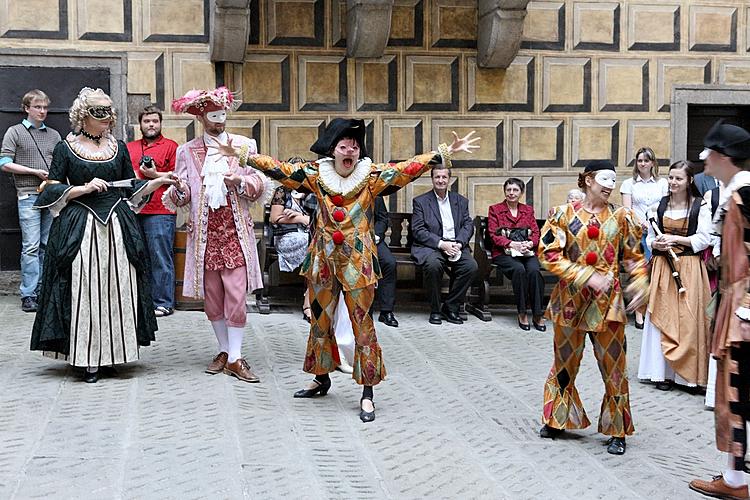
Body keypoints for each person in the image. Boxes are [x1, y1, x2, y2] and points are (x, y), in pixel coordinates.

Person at [214, 117, 479, 422]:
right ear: (333, 150)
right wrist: (243, 155)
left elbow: (406, 169)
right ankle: (321, 377)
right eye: (344, 145)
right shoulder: (316, 174)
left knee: (361, 324)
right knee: (320, 320)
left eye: (354, 145)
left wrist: (443, 153)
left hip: (358, 261)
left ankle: (368, 391)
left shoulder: (370, 176)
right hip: (323, 259)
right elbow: (280, 169)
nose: (350, 150)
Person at [29, 87, 176, 383]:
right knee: (85, 288)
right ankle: (87, 358)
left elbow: (128, 185)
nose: (108, 117)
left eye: (109, 111)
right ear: (84, 115)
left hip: (117, 227)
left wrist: (158, 181)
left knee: (116, 287)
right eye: (100, 111)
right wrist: (82, 188)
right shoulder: (65, 148)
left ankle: (112, 354)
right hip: (80, 226)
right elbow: (50, 187)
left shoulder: (118, 147)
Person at [538, 160, 649, 456]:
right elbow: (549, 256)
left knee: (614, 368)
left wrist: (640, 286)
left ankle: (617, 430)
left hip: (608, 305)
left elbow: (635, 259)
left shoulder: (623, 217)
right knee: (564, 365)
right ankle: (557, 419)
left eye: (614, 180)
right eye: (605, 179)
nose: (611, 185)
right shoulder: (561, 215)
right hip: (569, 304)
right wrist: (587, 275)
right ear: (588, 180)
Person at [164, 87, 270, 384]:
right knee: (213, 297)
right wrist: (179, 190)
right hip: (205, 235)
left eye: (223, 115)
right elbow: (180, 194)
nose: (220, 121)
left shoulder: (243, 145)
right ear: (201, 117)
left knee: (236, 294)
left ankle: (236, 357)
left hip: (234, 231)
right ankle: (224, 350)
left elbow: (261, 183)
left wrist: (240, 181)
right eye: (213, 116)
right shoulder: (186, 151)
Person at [689, 122, 750, 500]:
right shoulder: (734, 193)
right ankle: (734, 478)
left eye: (710, 154)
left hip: (744, 308)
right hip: (735, 301)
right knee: (734, 393)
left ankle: (737, 481)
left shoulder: (745, 194)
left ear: (723, 156)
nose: (705, 162)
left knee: (739, 392)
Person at [637, 161, 711, 391]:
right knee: (663, 315)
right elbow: (649, 237)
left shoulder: (701, 206)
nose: (673, 182)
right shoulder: (659, 206)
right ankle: (662, 374)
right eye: (670, 177)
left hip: (688, 266)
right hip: (663, 266)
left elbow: (704, 239)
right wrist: (656, 242)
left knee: (688, 318)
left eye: (678, 178)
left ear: (689, 181)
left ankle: (687, 376)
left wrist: (675, 239)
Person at [0, 89, 61, 312]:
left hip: (51, 195)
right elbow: (4, 162)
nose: (42, 111)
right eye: (38, 107)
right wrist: (33, 171)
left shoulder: (54, 135)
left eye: (45, 107)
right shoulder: (14, 132)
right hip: (28, 194)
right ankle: (28, 293)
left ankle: (43, 291)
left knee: (47, 244)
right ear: (27, 108)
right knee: (31, 246)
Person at [127, 105, 178, 317]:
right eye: (147, 121)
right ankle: (139, 302)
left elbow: (177, 176)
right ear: (140, 124)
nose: (151, 125)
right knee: (136, 257)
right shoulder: (129, 147)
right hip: (132, 209)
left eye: (155, 121)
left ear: (160, 123)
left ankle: (163, 302)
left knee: (160, 257)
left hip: (160, 210)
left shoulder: (171, 146)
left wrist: (155, 174)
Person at [411, 165, 478, 325]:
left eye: (444, 177)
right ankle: (435, 310)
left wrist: (459, 244)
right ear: (432, 179)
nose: (440, 180)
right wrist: (442, 244)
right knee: (433, 265)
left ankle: (450, 307)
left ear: (449, 179)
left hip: (456, 245)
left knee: (470, 266)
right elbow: (418, 230)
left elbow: (468, 225)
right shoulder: (421, 202)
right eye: (437, 177)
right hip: (432, 246)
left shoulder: (461, 201)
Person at [488, 178, 545, 331]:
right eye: (509, 190)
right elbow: (493, 234)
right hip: (503, 252)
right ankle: (522, 312)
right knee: (519, 270)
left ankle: (538, 313)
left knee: (534, 271)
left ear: (521, 193)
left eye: (515, 190)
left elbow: (535, 232)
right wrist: (511, 243)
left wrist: (530, 244)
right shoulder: (495, 209)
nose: (511, 193)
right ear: (504, 191)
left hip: (526, 252)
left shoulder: (528, 210)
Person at [620, 146, 668, 329]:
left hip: (657, 232)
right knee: (640, 271)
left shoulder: (662, 183)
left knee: (656, 270)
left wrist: (655, 224)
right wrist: (642, 223)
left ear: (652, 163)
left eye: (646, 160)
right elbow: (627, 210)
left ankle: (654, 310)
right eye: (639, 160)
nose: (642, 164)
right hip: (637, 233)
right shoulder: (629, 184)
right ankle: (639, 313)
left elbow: (665, 206)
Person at [374, 195, 399, 327]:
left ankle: (386, 311)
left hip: (374, 240)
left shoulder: (375, 193)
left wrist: (376, 235)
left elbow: (382, 218)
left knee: (389, 263)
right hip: (349, 240)